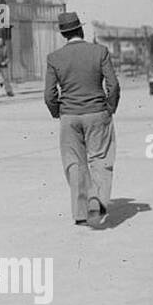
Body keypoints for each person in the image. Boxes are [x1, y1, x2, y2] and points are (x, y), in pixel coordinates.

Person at [44, 12, 120, 228]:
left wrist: (58, 112)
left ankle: (80, 213)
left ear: (63, 34)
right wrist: (109, 108)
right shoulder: (99, 52)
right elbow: (113, 85)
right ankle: (97, 205)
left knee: (75, 164)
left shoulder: (54, 58)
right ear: (81, 30)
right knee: (100, 160)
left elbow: (49, 94)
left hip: (69, 117)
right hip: (97, 113)